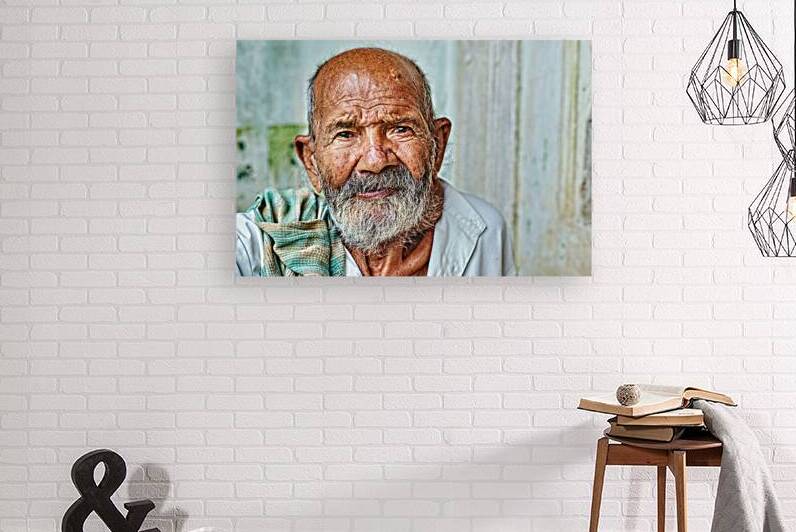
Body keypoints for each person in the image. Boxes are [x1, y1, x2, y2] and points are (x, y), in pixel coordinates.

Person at [236, 47, 515, 277]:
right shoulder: (258, 240)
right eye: (345, 134)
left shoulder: (486, 230)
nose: (375, 160)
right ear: (312, 161)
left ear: (437, 144)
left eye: (400, 129)